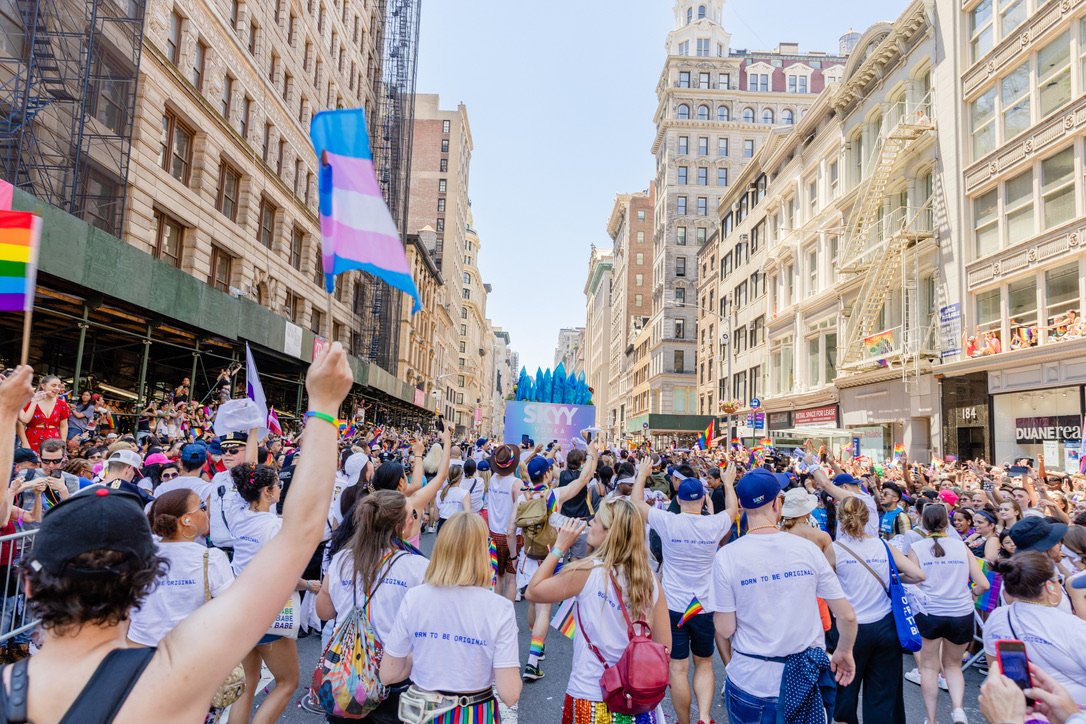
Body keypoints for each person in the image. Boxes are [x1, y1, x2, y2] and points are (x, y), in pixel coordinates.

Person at [0, 343, 353, 722]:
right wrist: (325, 406)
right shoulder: (173, 673)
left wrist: (7, 416)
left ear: (30, 585)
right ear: (142, 584)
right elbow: (300, 533)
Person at [711, 467, 857, 723]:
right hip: (803, 680)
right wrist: (844, 651)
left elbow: (724, 628)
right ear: (777, 505)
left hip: (750, 679)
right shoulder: (807, 549)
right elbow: (846, 615)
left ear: (742, 508)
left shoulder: (727, 557)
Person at [526, 500, 671, 723]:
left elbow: (533, 591)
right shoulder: (650, 580)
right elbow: (665, 646)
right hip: (637, 700)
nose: (590, 522)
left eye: (597, 520)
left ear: (609, 533)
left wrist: (559, 547)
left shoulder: (587, 572)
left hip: (591, 694)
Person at [380, 512, 521, 722]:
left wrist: (421, 656)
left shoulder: (415, 597)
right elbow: (510, 694)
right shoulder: (499, 608)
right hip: (474, 712)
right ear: (483, 551)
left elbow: (388, 674)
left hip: (423, 712)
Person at [630, 455, 734, 724]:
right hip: (704, 605)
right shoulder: (713, 524)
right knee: (704, 663)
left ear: (678, 499)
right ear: (702, 500)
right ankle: (706, 717)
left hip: (675, 605)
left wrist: (642, 473)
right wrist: (729, 483)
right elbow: (733, 511)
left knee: (678, 667)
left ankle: (684, 721)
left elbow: (636, 504)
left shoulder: (668, 521)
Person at [316, 490, 429, 723]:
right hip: (396, 673)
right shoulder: (418, 567)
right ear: (400, 526)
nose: (413, 519)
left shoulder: (341, 561)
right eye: (412, 515)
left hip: (344, 676)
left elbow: (324, 611)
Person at [228, 463, 320, 724]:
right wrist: (309, 585)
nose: (281, 488)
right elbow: (285, 575)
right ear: (267, 492)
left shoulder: (238, 516)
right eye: (278, 484)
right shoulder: (274, 527)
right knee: (288, 682)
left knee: (247, 683)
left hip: (240, 609)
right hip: (268, 612)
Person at [832, 496, 925, 724]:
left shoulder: (834, 550)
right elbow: (918, 575)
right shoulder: (884, 546)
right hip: (885, 627)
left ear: (840, 518)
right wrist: (892, 577)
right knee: (883, 695)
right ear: (867, 518)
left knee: (845, 691)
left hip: (850, 628)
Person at [514, 444, 599, 682]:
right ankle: (532, 659)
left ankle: (536, 645)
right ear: (548, 474)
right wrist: (592, 454)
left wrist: (513, 555)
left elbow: (513, 527)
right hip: (550, 556)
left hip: (528, 557)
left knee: (533, 600)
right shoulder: (554, 495)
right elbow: (583, 480)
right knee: (545, 609)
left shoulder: (523, 495)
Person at [907, 503, 990, 724]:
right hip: (960, 613)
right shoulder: (961, 547)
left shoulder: (917, 548)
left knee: (928, 668)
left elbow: (913, 579)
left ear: (924, 523)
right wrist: (971, 594)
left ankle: (931, 719)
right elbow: (983, 584)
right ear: (947, 523)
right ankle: (958, 710)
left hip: (930, 613)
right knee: (953, 666)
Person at [128, 489, 234, 647]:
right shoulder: (211, 559)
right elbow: (230, 609)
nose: (207, 512)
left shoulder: (137, 554)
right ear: (186, 520)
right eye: (202, 507)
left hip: (138, 648)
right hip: (187, 653)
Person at [983, 551, 1086, 709]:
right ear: (1049, 585)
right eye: (1059, 580)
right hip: (1070, 712)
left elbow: (995, 670)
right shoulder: (1074, 628)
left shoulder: (997, 617)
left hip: (1019, 710)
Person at [487, 444, 522, 601]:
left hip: (494, 533)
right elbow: (519, 512)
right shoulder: (516, 484)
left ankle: (496, 615)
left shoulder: (493, 479)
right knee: (511, 578)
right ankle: (507, 618)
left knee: (498, 577)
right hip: (512, 535)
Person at [16, 374, 69, 453]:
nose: (57, 388)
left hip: (54, 442)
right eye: (53, 385)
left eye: (59, 386)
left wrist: (63, 443)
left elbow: (64, 426)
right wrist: (24, 442)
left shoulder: (62, 404)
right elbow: (20, 423)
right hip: (32, 440)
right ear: (43, 386)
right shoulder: (29, 402)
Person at [436, 464, 470, 534]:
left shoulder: (439, 493)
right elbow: (467, 515)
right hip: (457, 526)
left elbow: (436, 517)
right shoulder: (464, 493)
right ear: (461, 477)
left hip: (442, 526)